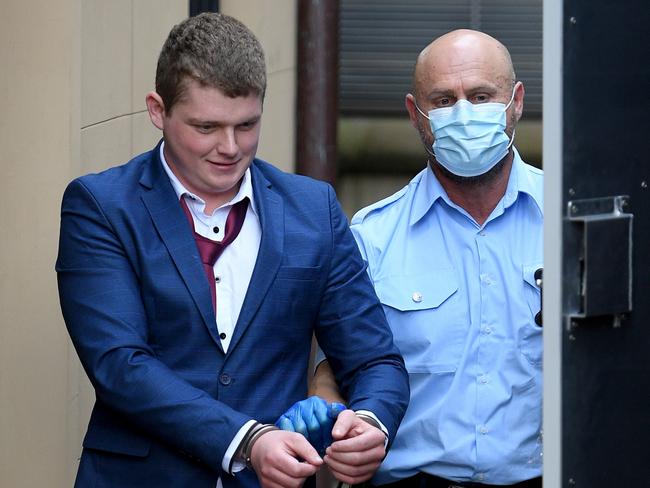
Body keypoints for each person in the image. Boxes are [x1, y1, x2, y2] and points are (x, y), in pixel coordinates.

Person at [56, 13, 409, 488]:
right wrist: (248, 439)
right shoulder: (101, 206)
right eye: (206, 127)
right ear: (157, 110)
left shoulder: (313, 209)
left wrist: (369, 424)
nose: (230, 147)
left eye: (247, 125)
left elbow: (374, 360)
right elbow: (120, 365)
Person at [300, 29, 543, 487]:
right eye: (444, 100)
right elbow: (336, 368)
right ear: (416, 115)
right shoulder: (372, 235)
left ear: (516, 102)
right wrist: (336, 421)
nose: (465, 113)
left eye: (481, 95)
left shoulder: (569, 224)